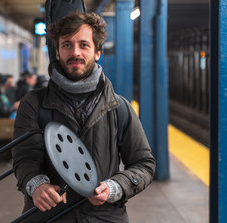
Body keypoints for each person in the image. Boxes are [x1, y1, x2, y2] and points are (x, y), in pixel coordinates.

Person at [11, 11, 155, 222]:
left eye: (84, 45)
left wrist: (114, 188)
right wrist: (37, 185)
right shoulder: (33, 103)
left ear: (97, 52)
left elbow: (144, 164)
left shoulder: (119, 107)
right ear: (58, 52)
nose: (75, 52)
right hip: (47, 217)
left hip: (103, 216)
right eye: (67, 44)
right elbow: (24, 158)